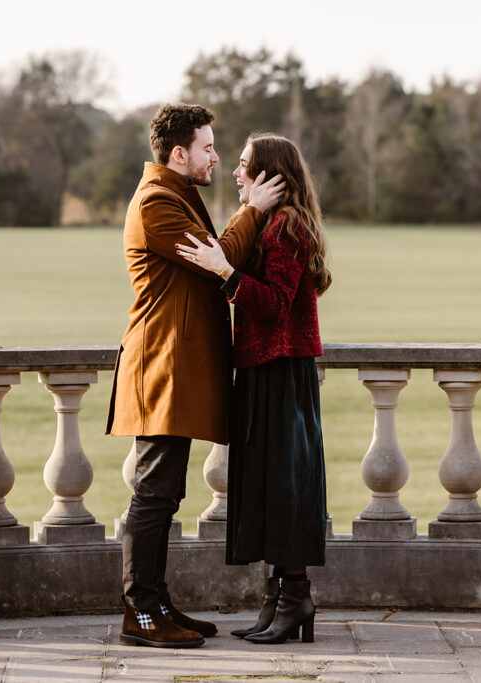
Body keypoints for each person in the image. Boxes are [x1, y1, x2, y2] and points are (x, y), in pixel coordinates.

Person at [106, 104, 284, 649]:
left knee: (164, 492)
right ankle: (139, 611)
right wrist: (252, 209)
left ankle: (157, 603)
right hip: (162, 368)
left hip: (175, 367)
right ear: (179, 153)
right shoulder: (158, 201)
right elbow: (218, 258)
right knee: (153, 493)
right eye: (208, 148)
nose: (216, 157)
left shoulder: (178, 194)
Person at [175, 132, 332, 645]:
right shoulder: (270, 222)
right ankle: (279, 599)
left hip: (283, 370)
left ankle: (295, 598)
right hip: (267, 367)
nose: (236, 173)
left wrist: (224, 272)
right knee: (270, 485)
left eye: (245, 166)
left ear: (269, 175)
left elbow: (275, 304)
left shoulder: (286, 227)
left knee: (285, 486)